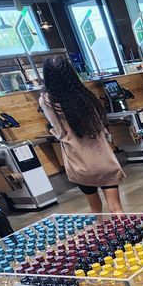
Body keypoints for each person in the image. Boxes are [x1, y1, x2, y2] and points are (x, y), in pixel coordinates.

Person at [40, 56, 125, 213]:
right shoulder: (85, 95)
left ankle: (102, 235)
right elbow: (100, 126)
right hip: (103, 161)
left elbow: (59, 131)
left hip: (80, 164)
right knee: (116, 207)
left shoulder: (47, 100)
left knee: (95, 208)